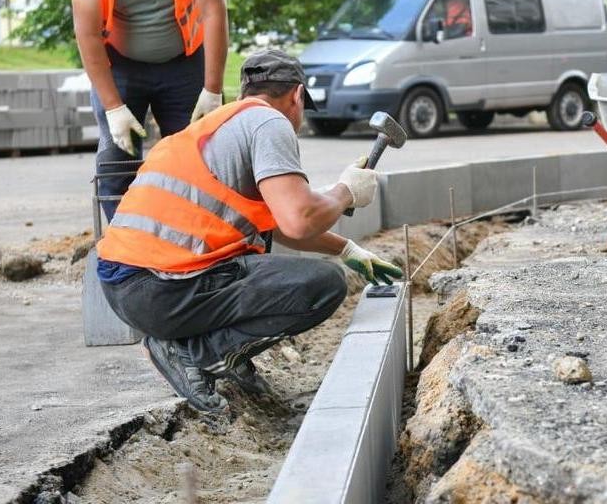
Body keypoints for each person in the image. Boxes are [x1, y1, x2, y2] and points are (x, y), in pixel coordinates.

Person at [95, 50, 403, 412]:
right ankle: (194, 353)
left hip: (128, 288)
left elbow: (275, 221)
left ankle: (224, 355)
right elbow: (298, 219)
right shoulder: (269, 123)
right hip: (164, 289)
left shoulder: (223, 124)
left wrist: (347, 249)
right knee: (322, 286)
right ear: (297, 96)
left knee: (262, 246)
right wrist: (345, 192)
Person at [70, 0, 229, 220]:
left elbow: (214, 11)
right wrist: (113, 107)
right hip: (121, 65)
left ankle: (201, 242)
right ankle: (122, 251)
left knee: (202, 158)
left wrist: (212, 89)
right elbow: (86, 33)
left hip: (184, 61)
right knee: (116, 160)